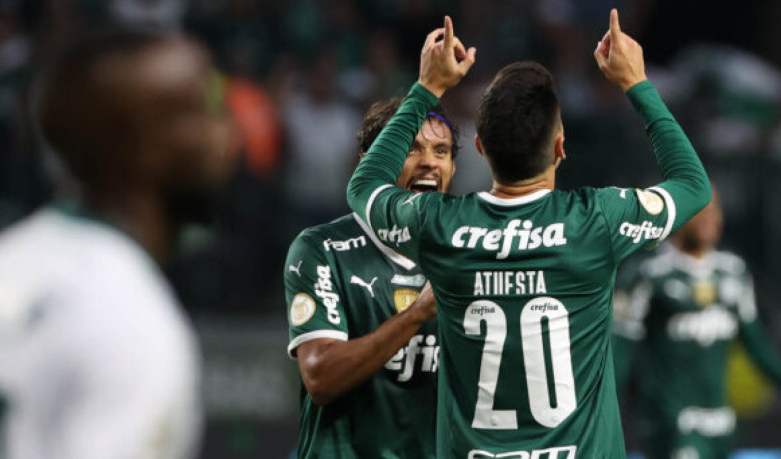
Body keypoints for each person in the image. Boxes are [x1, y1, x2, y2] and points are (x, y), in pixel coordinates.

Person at [346, 11, 711, 458]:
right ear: (560, 146)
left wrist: (427, 87)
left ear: (480, 147)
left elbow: (364, 186)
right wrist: (636, 82)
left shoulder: (439, 225)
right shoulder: (597, 221)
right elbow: (693, 184)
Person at [0, 31, 233, 459]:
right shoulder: (130, 322)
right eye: (204, 111)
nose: (226, 136)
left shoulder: (0, 261)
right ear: (141, 145)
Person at [284, 97, 458, 458]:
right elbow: (320, 377)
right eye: (411, 148)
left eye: (441, 151)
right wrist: (416, 315)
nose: (429, 162)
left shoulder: (463, 252)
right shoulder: (322, 249)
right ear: (372, 162)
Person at [613, 189, 781, 459]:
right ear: (677, 215)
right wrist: (598, 413)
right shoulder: (647, 273)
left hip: (721, 421)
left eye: (714, 209)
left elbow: (756, 344)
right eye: (699, 210)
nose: (708, 218)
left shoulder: (732, 272)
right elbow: (618, 352)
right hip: (671, 422)